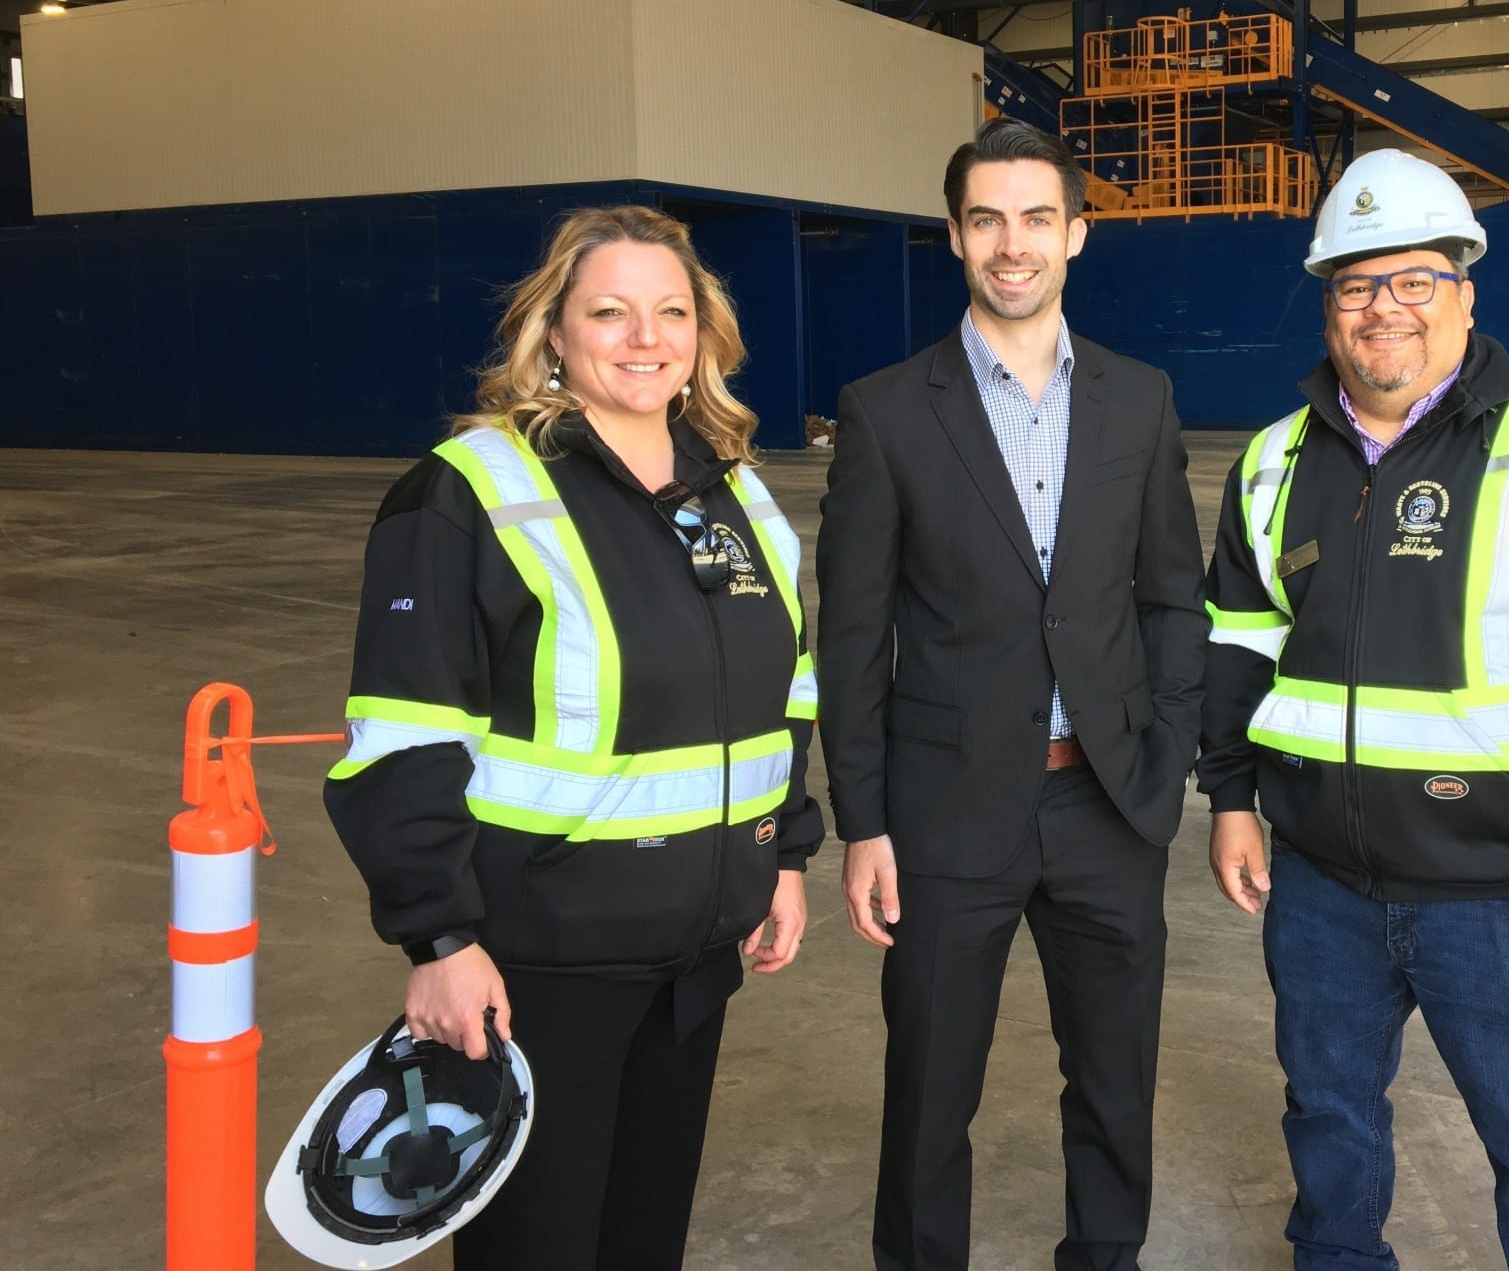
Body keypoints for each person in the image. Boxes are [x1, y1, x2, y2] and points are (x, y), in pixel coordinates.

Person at [1199, 150, 1509, 1271]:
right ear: (1327, 303)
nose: (1384, 310)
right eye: (1356, 285)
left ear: (1465, 291)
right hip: (1321, 883)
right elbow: (1237, 644)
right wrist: (1230, 800)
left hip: (1500, 888)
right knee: (1328, 1123)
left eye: (1413, 280)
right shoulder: (1275, 460)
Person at [326, 205, 822, 1270]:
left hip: (694, 959)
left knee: (641, 1238)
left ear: (703, 334)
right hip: (540, 967)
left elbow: (787, 688)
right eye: (609, 312)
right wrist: (441, 940)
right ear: (554, 333)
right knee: (536, 1246)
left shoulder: (729, 490)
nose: (644, 339)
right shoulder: (472, 490)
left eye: (669, 312)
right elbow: (406, 732)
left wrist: (783, 853)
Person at [817, 117, 1207, 1271]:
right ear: (952, 236)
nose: (1011, 244)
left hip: (1106, 802)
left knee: (1114, 1080)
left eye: (1036, 218)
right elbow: (848, 634)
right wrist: (865, 820)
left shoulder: (1139, 401)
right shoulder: (887, 411)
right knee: (930, 1093)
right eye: (985, 219)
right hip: (945, 816)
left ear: (1076, 234)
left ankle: (1106, 1258)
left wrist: (1164, 746)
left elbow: (1171, 597)